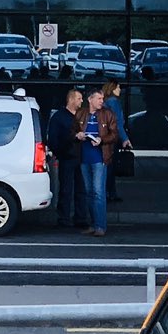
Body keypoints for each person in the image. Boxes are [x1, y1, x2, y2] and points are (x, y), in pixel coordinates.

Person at [76, 88, 115, 237]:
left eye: (102, 99)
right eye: (98, 98)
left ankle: (100, 225)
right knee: (89, 192)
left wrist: (101, 140)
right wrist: (77, 134)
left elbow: (114, 134)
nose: (101, 101)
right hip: (84, 157)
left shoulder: (107, 114)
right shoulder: (81, 114)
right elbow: (73, 130)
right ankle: (93, 224)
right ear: (90, 100)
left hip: (99, 158)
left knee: (98, 192)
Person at [45, 88, 83, 228]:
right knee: (66, 189)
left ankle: (80, 217)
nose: (81, 101)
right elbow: (54, 139)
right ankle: (64, 217)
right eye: (79, 98)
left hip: (81, 156)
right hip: (67, 156)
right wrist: (62, 150)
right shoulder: (59, 117)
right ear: (71, 99)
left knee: (81, 189)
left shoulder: (82, 115)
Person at [101, 81, 132, 205]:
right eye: (118, 87)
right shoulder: (113, 102)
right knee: (110, 166)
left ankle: (109, 192)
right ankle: (110, 193)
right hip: (112, 138)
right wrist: (125, 138)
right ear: (112, 88)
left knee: (108, 165)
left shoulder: (106, 102)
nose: (120, 89)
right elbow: (118, 122)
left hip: (106, 136)